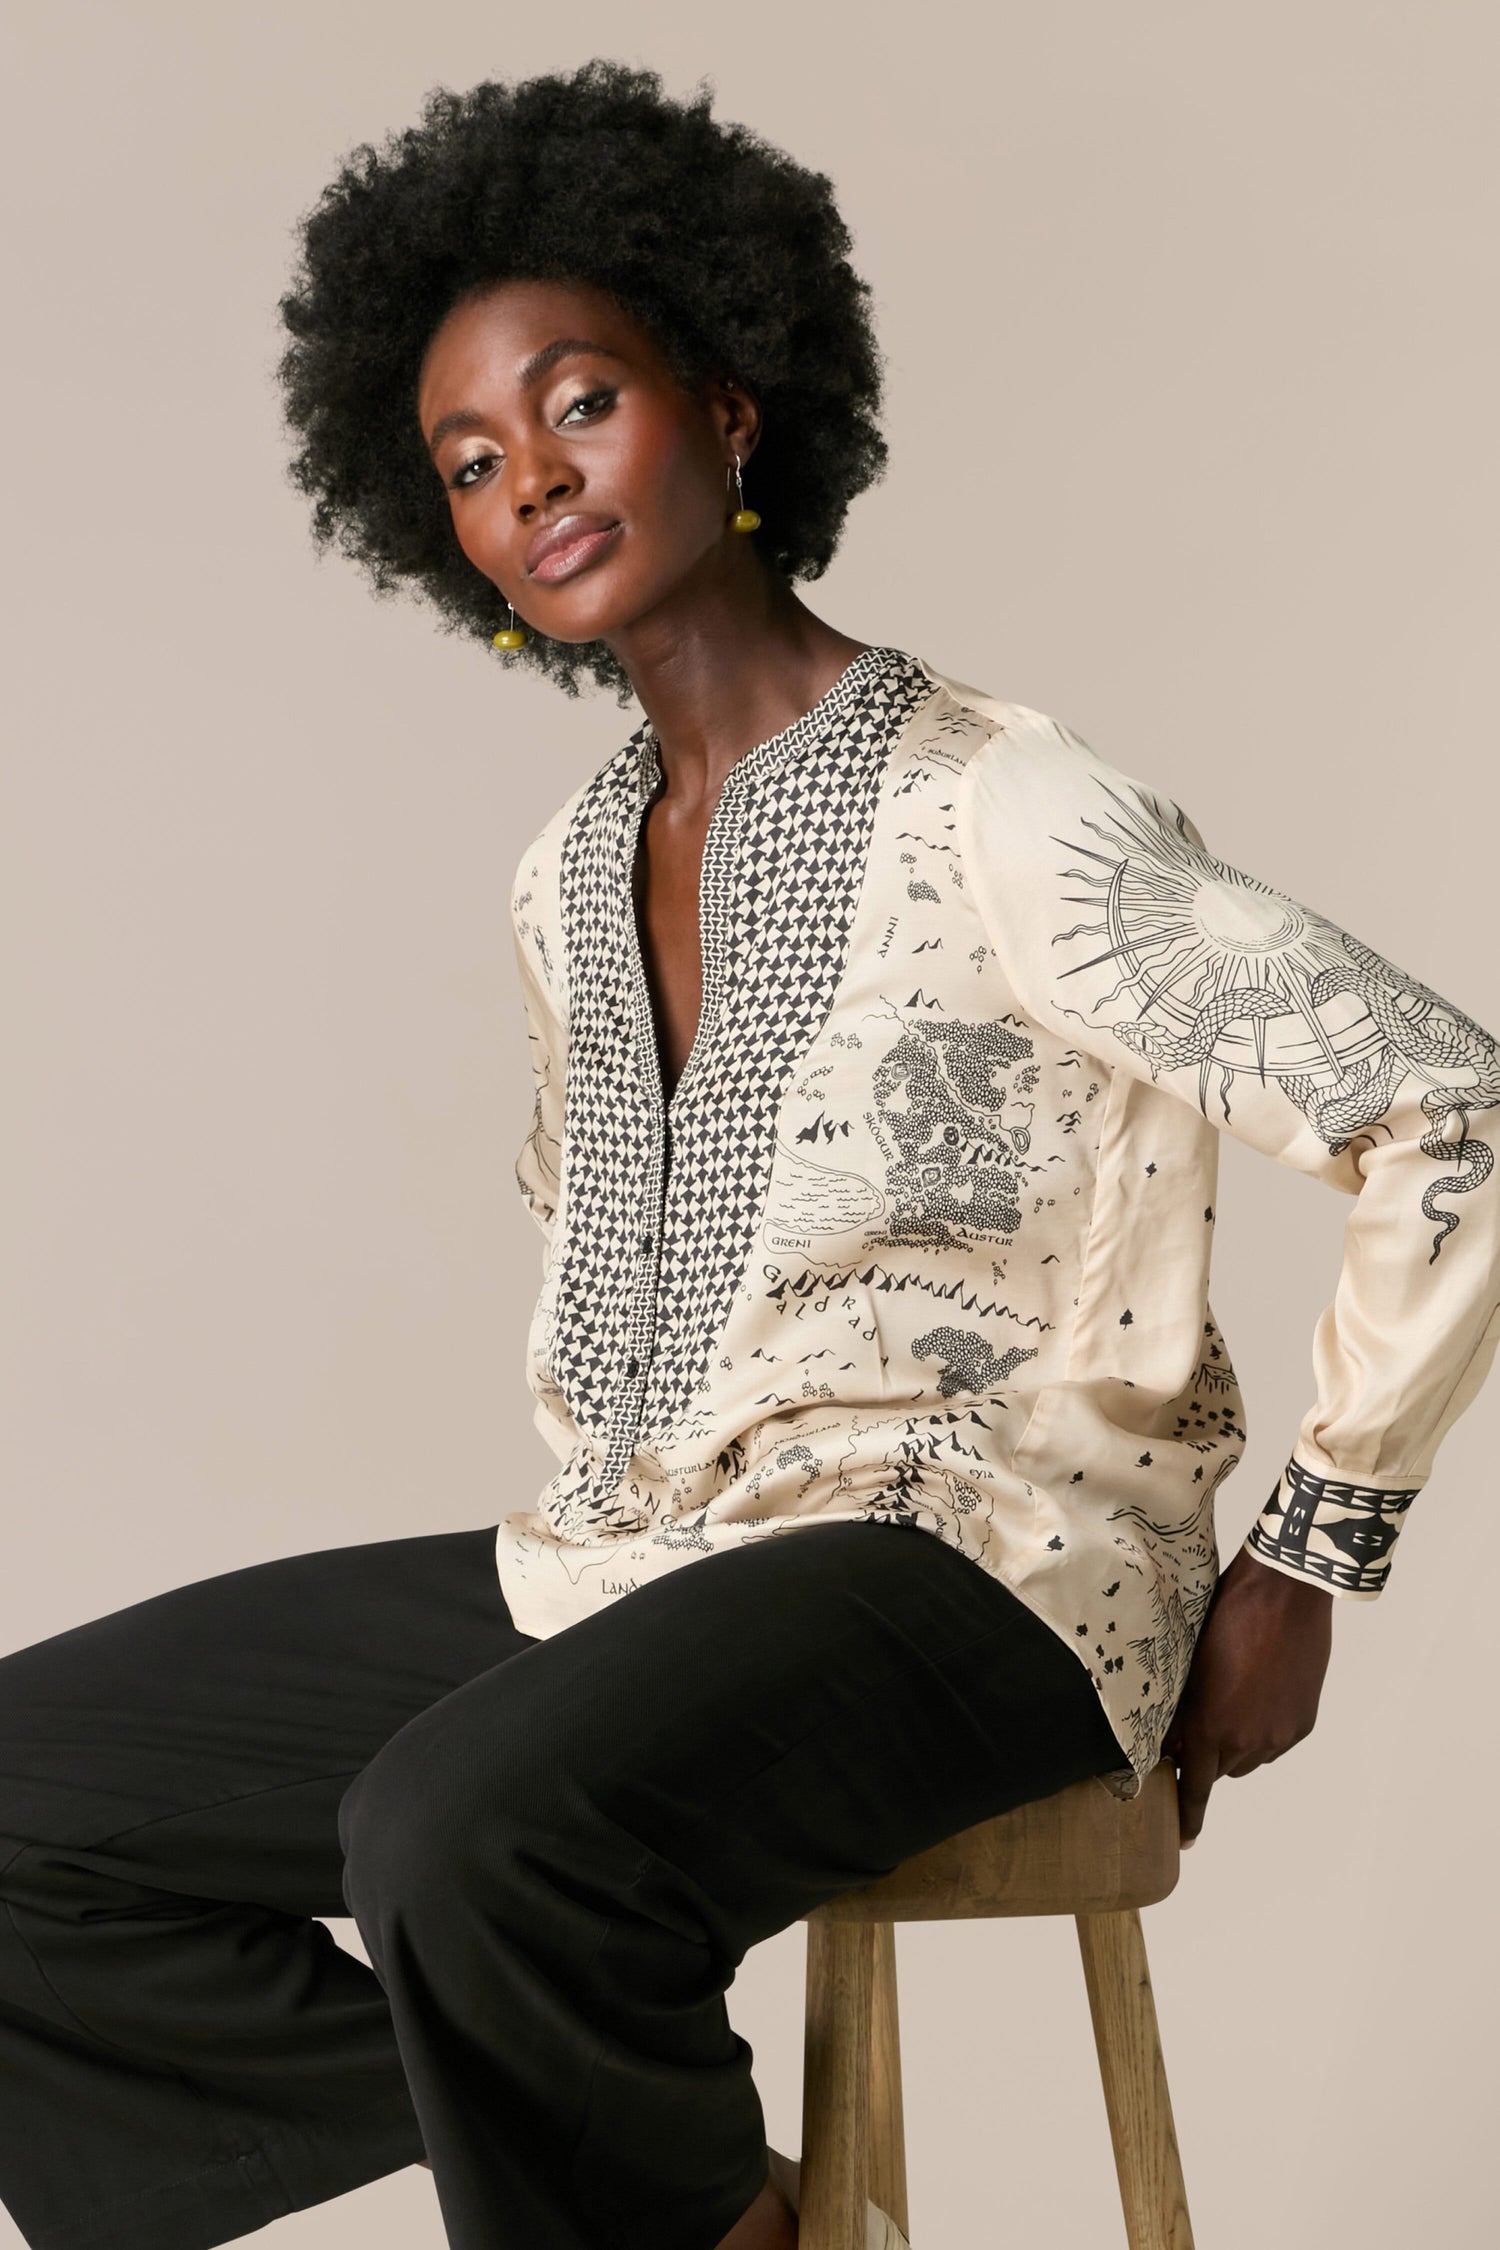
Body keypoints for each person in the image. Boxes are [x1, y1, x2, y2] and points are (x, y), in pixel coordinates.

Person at [3, 54, 1498, 2250]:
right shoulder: (566, 868)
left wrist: (1308, 1559)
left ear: (730, 402)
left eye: (578, 406)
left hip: (992, 1569)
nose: (533, 482)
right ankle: (732, 2210)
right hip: (651, 1556)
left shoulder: (1006, 803)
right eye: (472, 463)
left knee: (461, 1830)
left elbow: (1444, 1101)